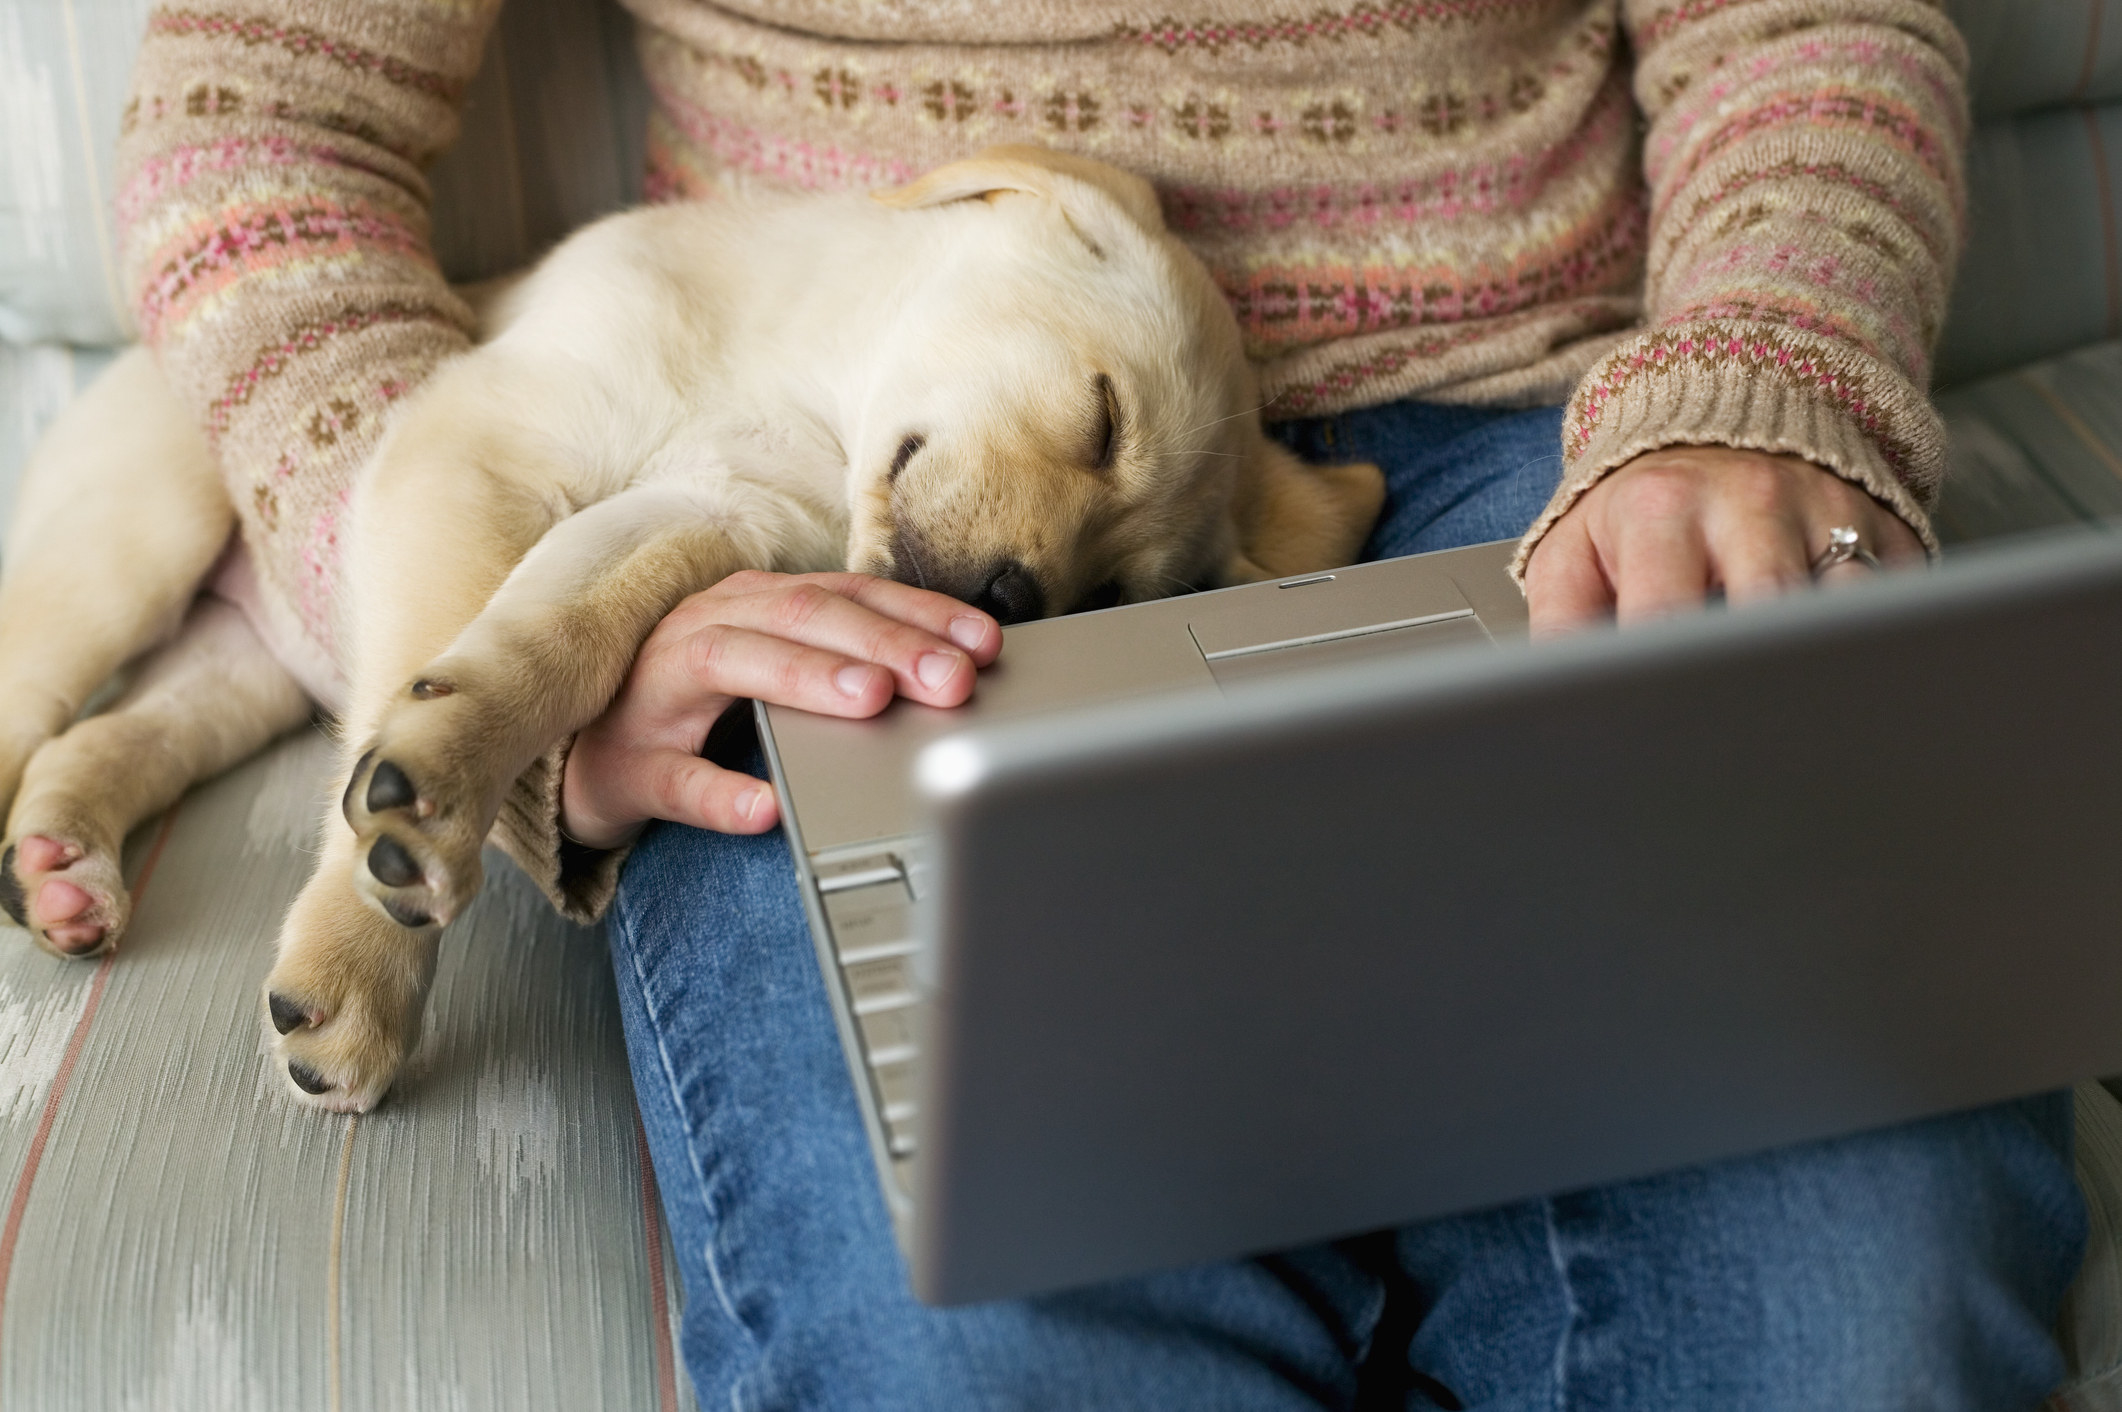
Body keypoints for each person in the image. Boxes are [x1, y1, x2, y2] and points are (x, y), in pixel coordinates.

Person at [114, 1, 2083, 1404]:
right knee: (980, 1339)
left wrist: (1767, 372)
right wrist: (502, 621)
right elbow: (255, 127)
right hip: (811, 492)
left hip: (1551, 445)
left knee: (1853, 1292)